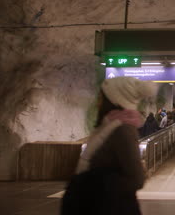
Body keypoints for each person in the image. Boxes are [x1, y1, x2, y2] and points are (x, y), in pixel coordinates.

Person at [62, 77, 157, 215]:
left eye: (102, 96)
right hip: (100, 203)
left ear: (113, 99)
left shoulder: (122, 130)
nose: (98, 101)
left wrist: (94, 184)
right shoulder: (109, 124)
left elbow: (137, 179)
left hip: (108, 205)